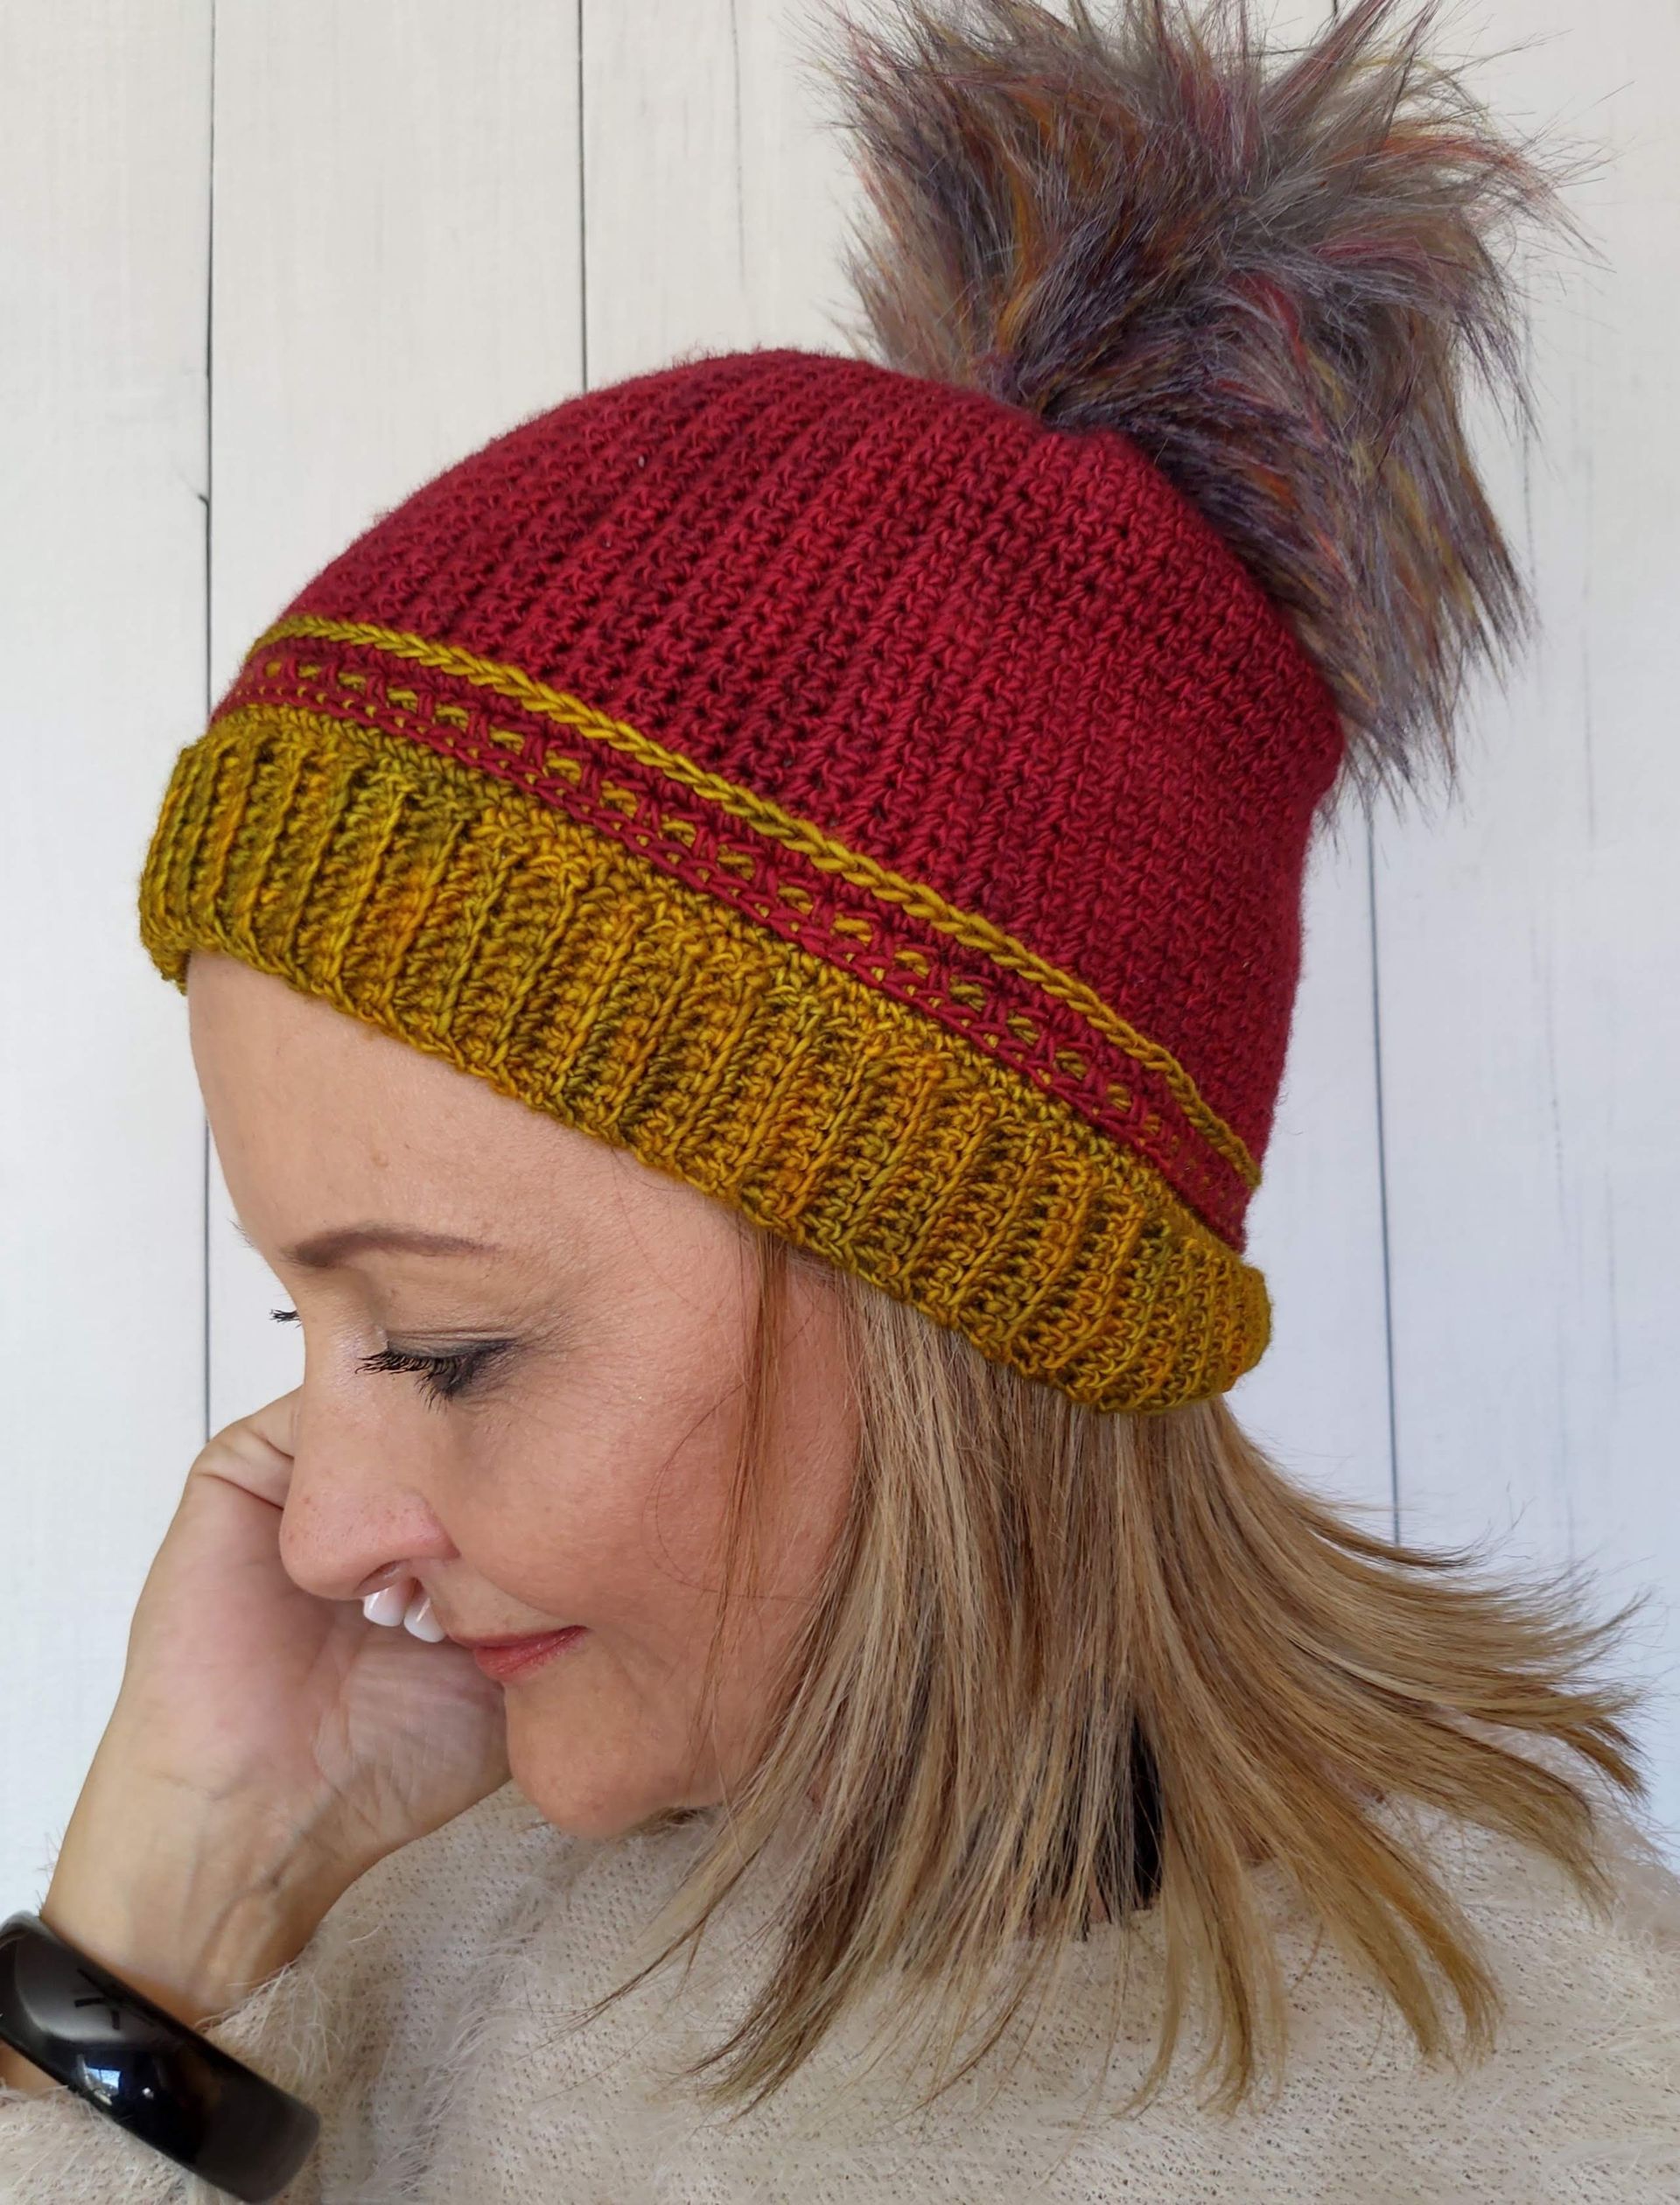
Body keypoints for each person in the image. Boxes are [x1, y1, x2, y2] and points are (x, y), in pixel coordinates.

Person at [3, 0, 1677, 2197]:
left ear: (964, 1292)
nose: (318, 1536)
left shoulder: (1537, 2097)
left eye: (448, 1343)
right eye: (301, 1322)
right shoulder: (354, 1926)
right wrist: (142, 1955)